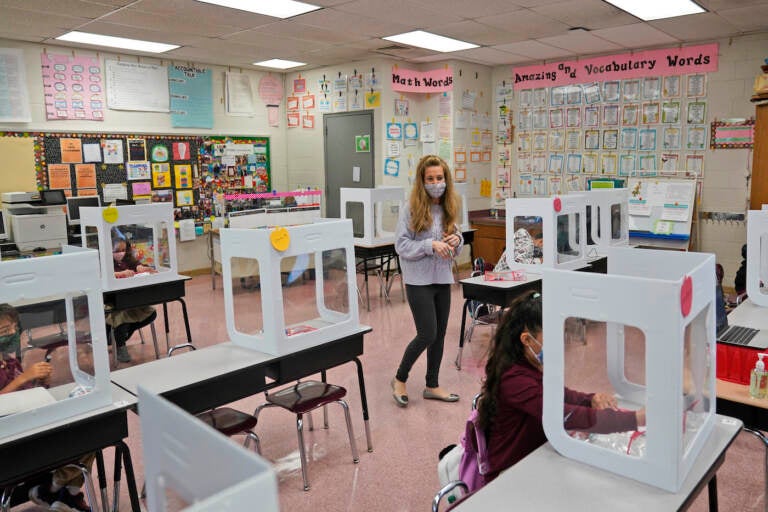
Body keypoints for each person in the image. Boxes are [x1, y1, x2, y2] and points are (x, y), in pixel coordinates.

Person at [474, 290, 645, 488]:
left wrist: (591, 399)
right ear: (527, 340)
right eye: (552, 336)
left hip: (536, 454)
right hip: (512, 470)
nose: (559, 343)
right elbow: (564, 414)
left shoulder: (530, 365)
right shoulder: (514, 379)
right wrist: (635, 419)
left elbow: (559, 395)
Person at [0, 304, 93, 512]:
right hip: (15, 442)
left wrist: (41, 382)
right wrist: (26, 377)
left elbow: (27, 394)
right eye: (5, 331)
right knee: (85, 437)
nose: (13, 334)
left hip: (32, 423)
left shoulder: (10, 361)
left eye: (14, 328)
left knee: (91, 427)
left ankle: (64, 493)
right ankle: (58, 489)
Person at [392, 155, 463, 407]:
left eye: (440, 178)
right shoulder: (410, 208)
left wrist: (457, 241)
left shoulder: (450, 206)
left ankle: (432, 385)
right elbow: (401, 245)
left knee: (440, 334)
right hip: (418, 280)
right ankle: (400, 378)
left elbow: (456, 238)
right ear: (422, 181)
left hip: (442, 277)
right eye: (431, 179)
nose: (436, 183)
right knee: (427, 333)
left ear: (446, 179)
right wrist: (429, 245)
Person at [106, 229, 157, 363]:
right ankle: (121, 345)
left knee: (151, 313)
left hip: (130, 299)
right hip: (112, 302)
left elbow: (138, 265)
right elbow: (101, 276)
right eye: (116, 251)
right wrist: (119, 274)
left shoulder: (129, 259)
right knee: (122, 318)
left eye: (123, 250)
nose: (120, 253)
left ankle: (125, 333)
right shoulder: (104, 262)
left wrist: (141, 268)